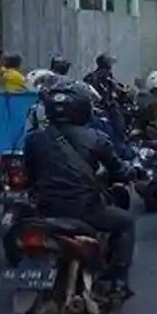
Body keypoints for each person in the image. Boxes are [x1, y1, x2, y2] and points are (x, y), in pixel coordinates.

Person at [22, 81, 136, 294]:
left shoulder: (34, 139)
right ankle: (119, 279)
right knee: (125, 223)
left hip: (45, 210)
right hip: (85, 211)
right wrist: (131, 173)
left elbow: (30, 176)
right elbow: (119, 171)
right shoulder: (96, 138)